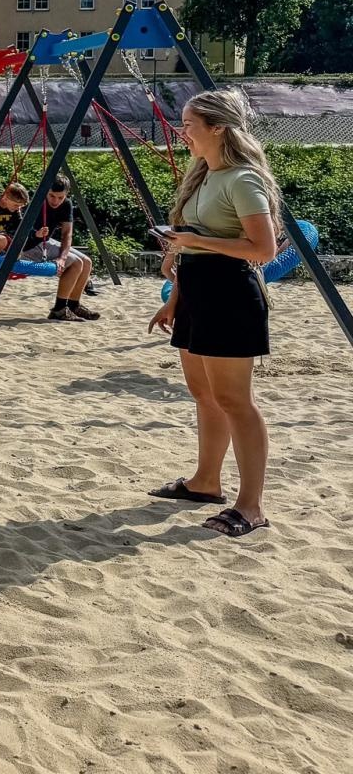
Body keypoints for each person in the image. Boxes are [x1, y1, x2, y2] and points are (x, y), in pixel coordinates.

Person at [147, 89, 279, 538]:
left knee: (235, 402)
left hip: (230, 296)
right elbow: (197, 240)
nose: (181, 132)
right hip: (198, 295)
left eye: (188, 124)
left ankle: (252, 506)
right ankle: (206, 483)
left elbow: (263, 249)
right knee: (204, 394)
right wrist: (175, 293)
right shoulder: (205, 175)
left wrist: (195, 242)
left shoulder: (242, 178)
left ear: (217, 127)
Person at [21, 175, 100, 322]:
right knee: (76, 263)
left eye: (60, 197)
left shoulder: (66, 204)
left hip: (44, 242)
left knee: (87, 262)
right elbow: (21, 231)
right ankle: (59, 309)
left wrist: (62, 257)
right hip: (27, 246)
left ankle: (73, 305)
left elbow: (66, 233)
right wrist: (62, 259)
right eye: (51, 195)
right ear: (45, 192)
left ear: (66, 195)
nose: (55, 201)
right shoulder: (36, 202)